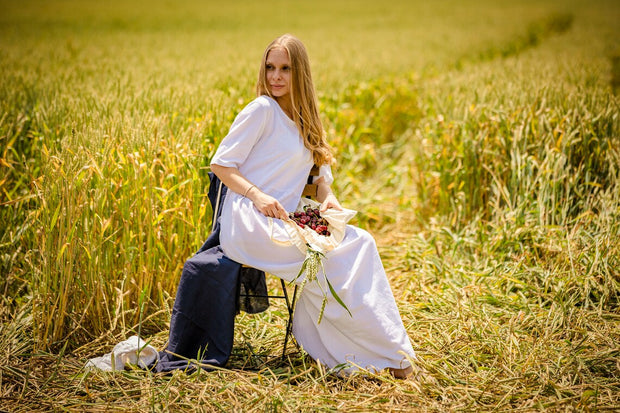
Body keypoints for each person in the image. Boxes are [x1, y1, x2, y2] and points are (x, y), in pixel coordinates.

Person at [210, 34, 416, 378]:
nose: (275, 76)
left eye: (285, 69)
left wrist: (328, 197)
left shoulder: (306, 118)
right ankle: (379, 360)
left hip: (286, 219)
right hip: (249, 221)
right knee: (333, 258)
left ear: (300, 72)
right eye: (270, 67)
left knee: (362, 242)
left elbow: (318, 178)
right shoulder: (261, 110)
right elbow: (221, 164)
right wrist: (258, 195)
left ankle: (382, 351)